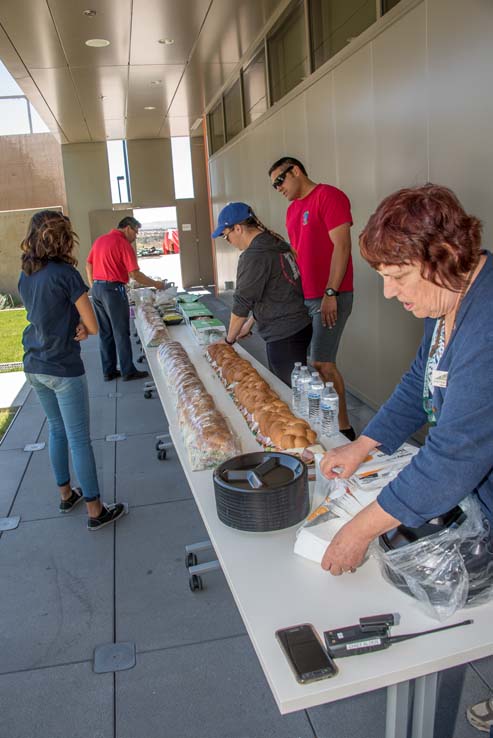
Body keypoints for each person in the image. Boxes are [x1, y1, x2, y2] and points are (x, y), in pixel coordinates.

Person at [318, 183, 493, 576]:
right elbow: (422, 379)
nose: (388, 291)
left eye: (397, 276)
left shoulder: (487, 328)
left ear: (444, 255)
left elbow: (453, 460)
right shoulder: (449, 294)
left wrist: (358, 531)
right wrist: (362, 445)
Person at [18, 210, 126, 531]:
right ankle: (96, 510)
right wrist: (80, 325)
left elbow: (43, 314)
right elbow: (92, 324)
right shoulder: (66, 274)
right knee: (79, 439)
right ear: (64, 238)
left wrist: (73, 323)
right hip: (62, 367)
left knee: (56, 429)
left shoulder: (26, 273)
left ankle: (66, 495)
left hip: (34, 364)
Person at [268, 156, 355, 440]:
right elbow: (298, 254)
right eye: (274, 186)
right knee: (307, 364)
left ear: (296, 171)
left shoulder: (328, 196)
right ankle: (321, 424)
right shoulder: (293, 211)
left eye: (280, 180)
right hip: (304, 297)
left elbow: (342, 247)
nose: (278, 188)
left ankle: (344, 430)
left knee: (322, 363)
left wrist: (331, 291)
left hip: (330, 296)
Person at [211, 202, 312, 386]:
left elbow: (242, 303)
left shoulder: (254, 255)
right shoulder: (274, 243)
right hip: (297, 327)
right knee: (291, 388)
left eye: (227, 237)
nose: (230, 242)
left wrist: (229, 339)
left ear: (238, 228)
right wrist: (249, 323)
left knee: (288, 395)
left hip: (284, 334)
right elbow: (274, 292)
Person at [86, 216, 165, 381]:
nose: (136, 236)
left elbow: (89, 264)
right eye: (136, 232)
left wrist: (93, 284)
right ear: (128, 228)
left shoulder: (100, 240)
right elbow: (134, 274)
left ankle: (109, 370)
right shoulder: (123, 243)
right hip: (113, 291)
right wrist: (155, 284)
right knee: (121, 331)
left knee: (106, 332)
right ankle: (128, 371)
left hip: (98, 290)